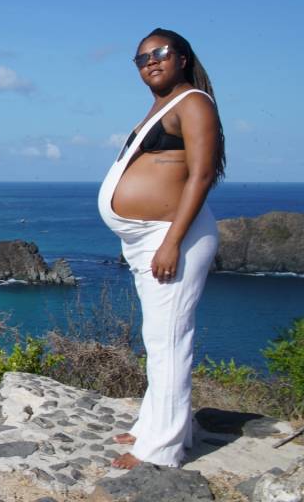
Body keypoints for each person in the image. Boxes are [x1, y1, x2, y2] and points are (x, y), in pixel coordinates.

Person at [97, 28, 225, 469]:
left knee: (169, 340)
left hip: (173, 237)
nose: (151, 61)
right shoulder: (163, 105)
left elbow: (201, 176)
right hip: (148, 239)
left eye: (160, 53)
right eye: (142, 58)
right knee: (158, 338)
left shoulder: (194, 102)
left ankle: (162, 451)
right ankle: (156, 426)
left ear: (182, 58)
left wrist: (172, 242)